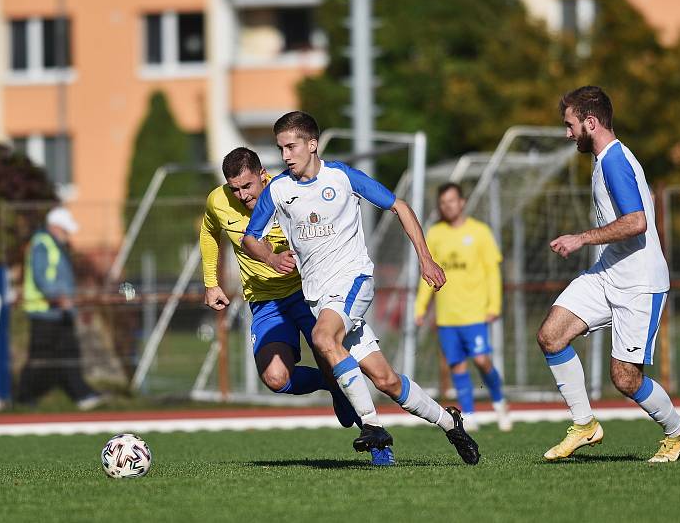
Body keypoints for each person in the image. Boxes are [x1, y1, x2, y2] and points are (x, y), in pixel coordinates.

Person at [242, 111, 480, 465]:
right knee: (386, 381)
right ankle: (451, 423)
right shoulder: (278, 190)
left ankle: (372, 425)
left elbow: (398, 205)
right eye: (281, 149)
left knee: (323, 338)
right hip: (319, 296)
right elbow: (250, 238)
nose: (286, 156)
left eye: (291, 147)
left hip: (354, 280)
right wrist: (271, 258)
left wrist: (425, 258)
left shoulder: (341, 177)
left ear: (312, 144)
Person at [200, 146, 394, 466]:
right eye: (234, 188)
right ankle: (327, 382)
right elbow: (208, 231)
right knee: (275, 379)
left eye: (247, 186)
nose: (241, 195)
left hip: (306, 294)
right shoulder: (218, 201)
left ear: (263, 175)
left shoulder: (285, 193)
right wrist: (211, 282)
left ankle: (379, 444)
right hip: (264, 301)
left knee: (335, 358)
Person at [538, 85, 680, 462]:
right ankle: (584, 425)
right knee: (551, 335)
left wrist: (581, 238)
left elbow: (637, 222)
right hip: (609, 273)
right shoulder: (602, 159)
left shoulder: (613, 160)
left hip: (640, 283)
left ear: (590, 123)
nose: (567, 134)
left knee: (625, 378)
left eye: (570, 125)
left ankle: (678, 432)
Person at [414, 182, 512, 432]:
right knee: (456, 365)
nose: (448, 206)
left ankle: (500, 403)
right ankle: (469, 414)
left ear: (462, 202)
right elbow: (428, 275)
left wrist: (494, 305)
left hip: (475, 313)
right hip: (447, 317)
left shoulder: (480, 232)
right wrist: (420, 308)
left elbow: (492, 271)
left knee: (482, 360)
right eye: (443, 202)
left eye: (452, 201)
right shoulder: (435, 234)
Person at [16, 206, 104, 410]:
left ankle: (82, 393)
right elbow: (41, 277)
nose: (68, 235)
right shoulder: (43, 245)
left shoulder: (54, 245)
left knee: (69, 352)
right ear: (55, 227)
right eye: (65, 230)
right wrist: (58, 297)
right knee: (40, 356)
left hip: (59, 311)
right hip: (45, 311)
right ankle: (24, 396)